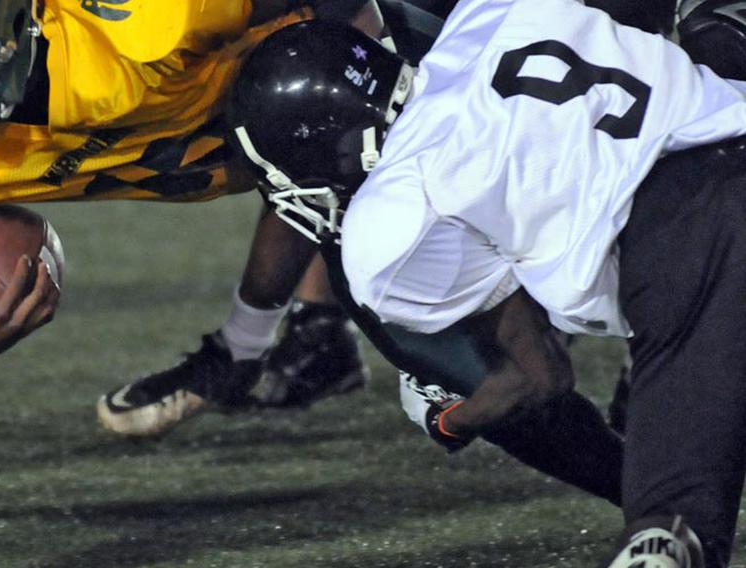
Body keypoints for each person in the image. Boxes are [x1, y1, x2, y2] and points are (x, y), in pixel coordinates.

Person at [225, 3, 746, 565]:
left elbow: (536, 377)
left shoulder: (387, 225)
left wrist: (452, 418)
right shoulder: (484, 13)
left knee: (669, 529)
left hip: (686, 241)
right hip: (724, 135)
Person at [0, 0, 386, 438]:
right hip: (239, 143)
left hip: (313, 86)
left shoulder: (142, 24)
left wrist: (372, 100)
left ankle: (265, 345)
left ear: (2, 35)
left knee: (299, 99)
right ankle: (296, 342)